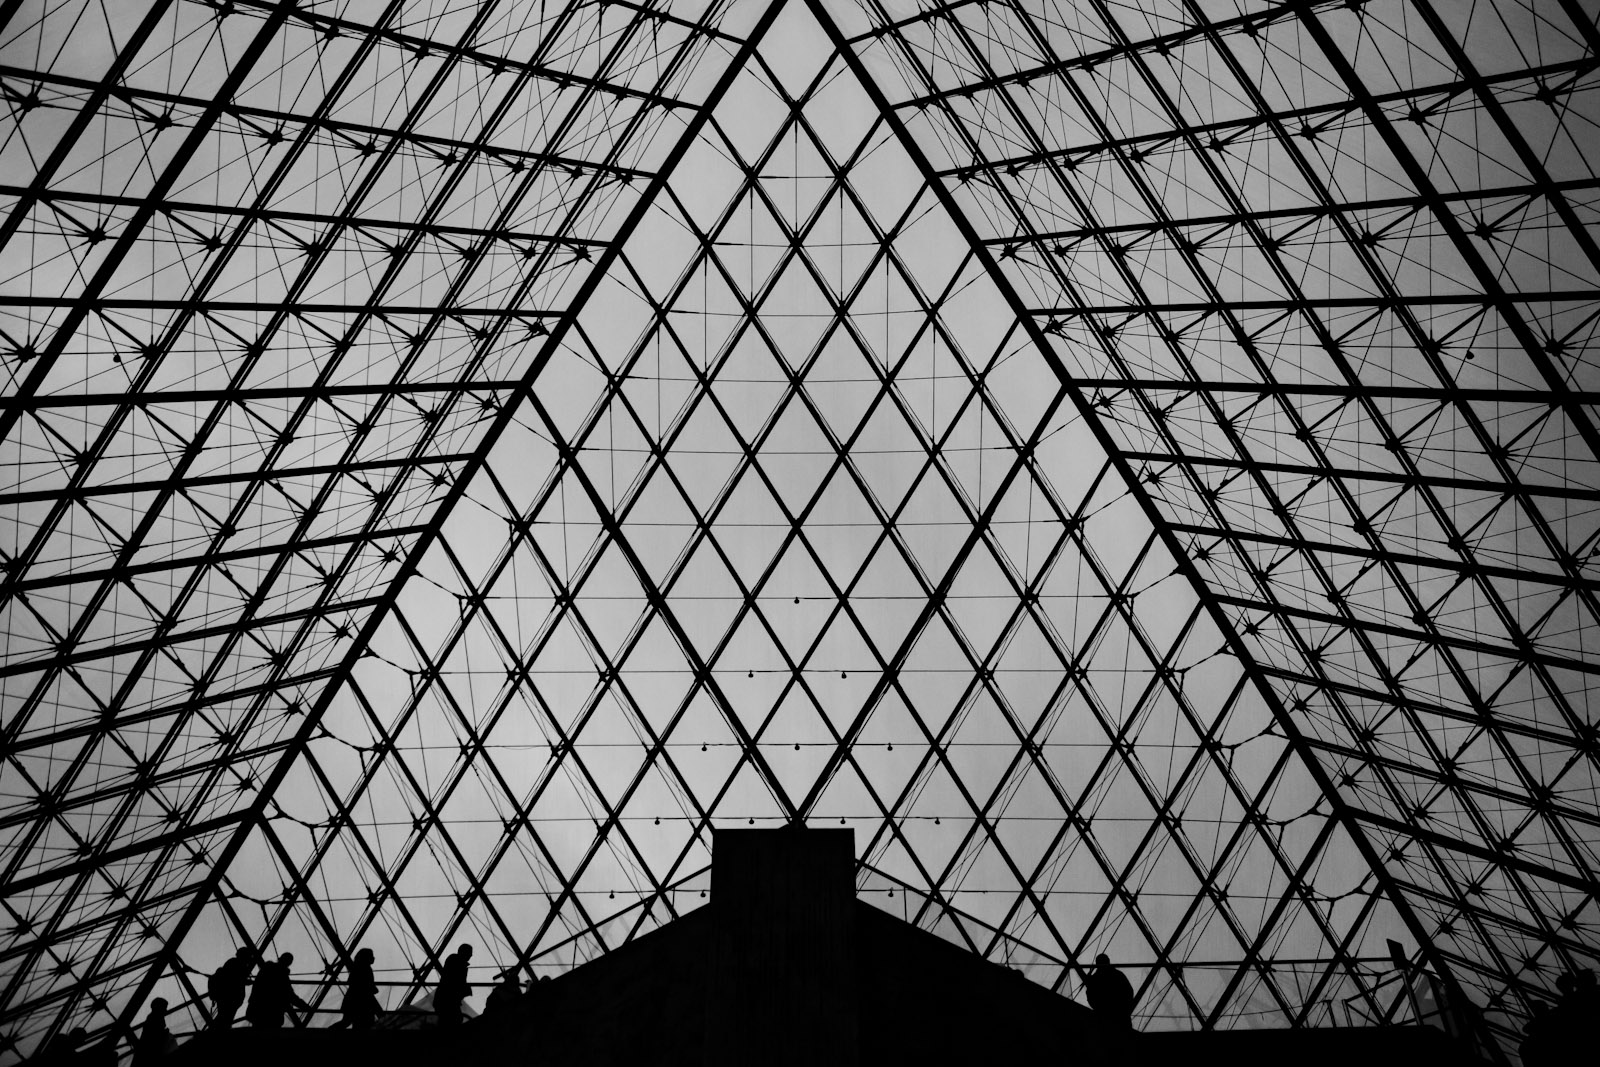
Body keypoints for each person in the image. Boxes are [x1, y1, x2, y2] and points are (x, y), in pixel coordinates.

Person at [245, 953, 304, 1029]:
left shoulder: (266, 969)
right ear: (289, 963)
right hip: (273, 1015)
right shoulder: (282, 976)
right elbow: (290, 995)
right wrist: (304, 1006)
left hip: (256, 1010)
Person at [1083, 953, 1135, 1030]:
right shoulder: (1118, 975)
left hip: (1102, 1016)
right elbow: (1129, 992)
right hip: (1121, 1015)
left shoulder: (1094, 979)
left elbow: (1090, 996)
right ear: (1108, 961)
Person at [207, 947, 253, 1027]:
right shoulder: (237, 965)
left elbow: (235, 979)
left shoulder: (232, 963)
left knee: (224, 1018)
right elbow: (237, 980)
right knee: (225, 1019)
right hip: (231, 999)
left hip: (226, 998)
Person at [336, 948, 381, 1029]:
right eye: (371, 956)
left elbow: (354, 982)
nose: (373, 958)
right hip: (362, 1002)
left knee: (348, 1022)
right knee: (364, 1023)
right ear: (366, 958)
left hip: (353, 1001)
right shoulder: (366, 969)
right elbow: (365, 985)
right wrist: (372, 988)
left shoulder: (358, 967)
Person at [432, 943, 473, 1029]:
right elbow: (457, 982)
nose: (471, 955)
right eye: (470, 953)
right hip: (448, 1000)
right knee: (454, 1020)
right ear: (464, 953)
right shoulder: (458, 963)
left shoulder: (453, 960)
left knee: (450, 1021)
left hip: (444, 999)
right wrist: (464, 989)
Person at [131, 1000, 169, 1067]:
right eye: (164, 1008)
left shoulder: (152, 1018)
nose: (166, 1010)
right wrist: (164, 1033)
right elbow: (155, 1038)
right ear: (159, 1008)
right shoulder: (156, 1019)